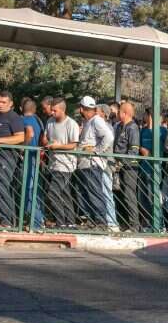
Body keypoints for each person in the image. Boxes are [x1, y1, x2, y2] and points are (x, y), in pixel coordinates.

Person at [0, 91, 25, 227]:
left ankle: (6, 221)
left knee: (1, 187)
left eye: (4, 102)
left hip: (6, 157)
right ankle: (7, 220)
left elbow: (20, 137)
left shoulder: (13, 117)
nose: (0, 105)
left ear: (11, 104)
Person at [76, 96, 116, 230]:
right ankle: (92, 221)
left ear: (82, 108)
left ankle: (101, 222)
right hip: (85, 164)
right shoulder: (89, 121)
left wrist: (96, 150)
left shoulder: (96, 120)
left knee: (94, 192)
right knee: (86, 193)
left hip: (92, 164)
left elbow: (109, 136)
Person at [43, 98, 80, 229]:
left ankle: (61, 222)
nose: (52, 112)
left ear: (63, 110)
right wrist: (46, 142)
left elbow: (73, 145)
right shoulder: (50, 121)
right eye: (51, 109)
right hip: (53, 163)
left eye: (55, 110)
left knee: (53, 193)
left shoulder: (72, 124)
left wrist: (58, 146)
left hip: (66, 165)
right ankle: (70, 222)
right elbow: (46, 138)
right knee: (64, 193)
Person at [113, 101, 142, 231]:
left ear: (124, 113)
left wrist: (122, 162)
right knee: (121, 195)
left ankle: (134, 225)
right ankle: (125, 222)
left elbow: (134, 150)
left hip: (130, 167)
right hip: (119, 166)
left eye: (119, 111)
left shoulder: (133, 127)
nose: (117, 113)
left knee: (129, 195)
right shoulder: (119, 126)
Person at [20, 98, 45, 231]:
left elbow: (30, 132)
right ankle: (39, 218)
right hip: (37, 156)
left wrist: (23, 147)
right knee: (36, 188)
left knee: (29, 188)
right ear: (34, 110)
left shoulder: (23, 120)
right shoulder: (39, 120)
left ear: (21, 109)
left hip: (29, 156)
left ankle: (35, 222)